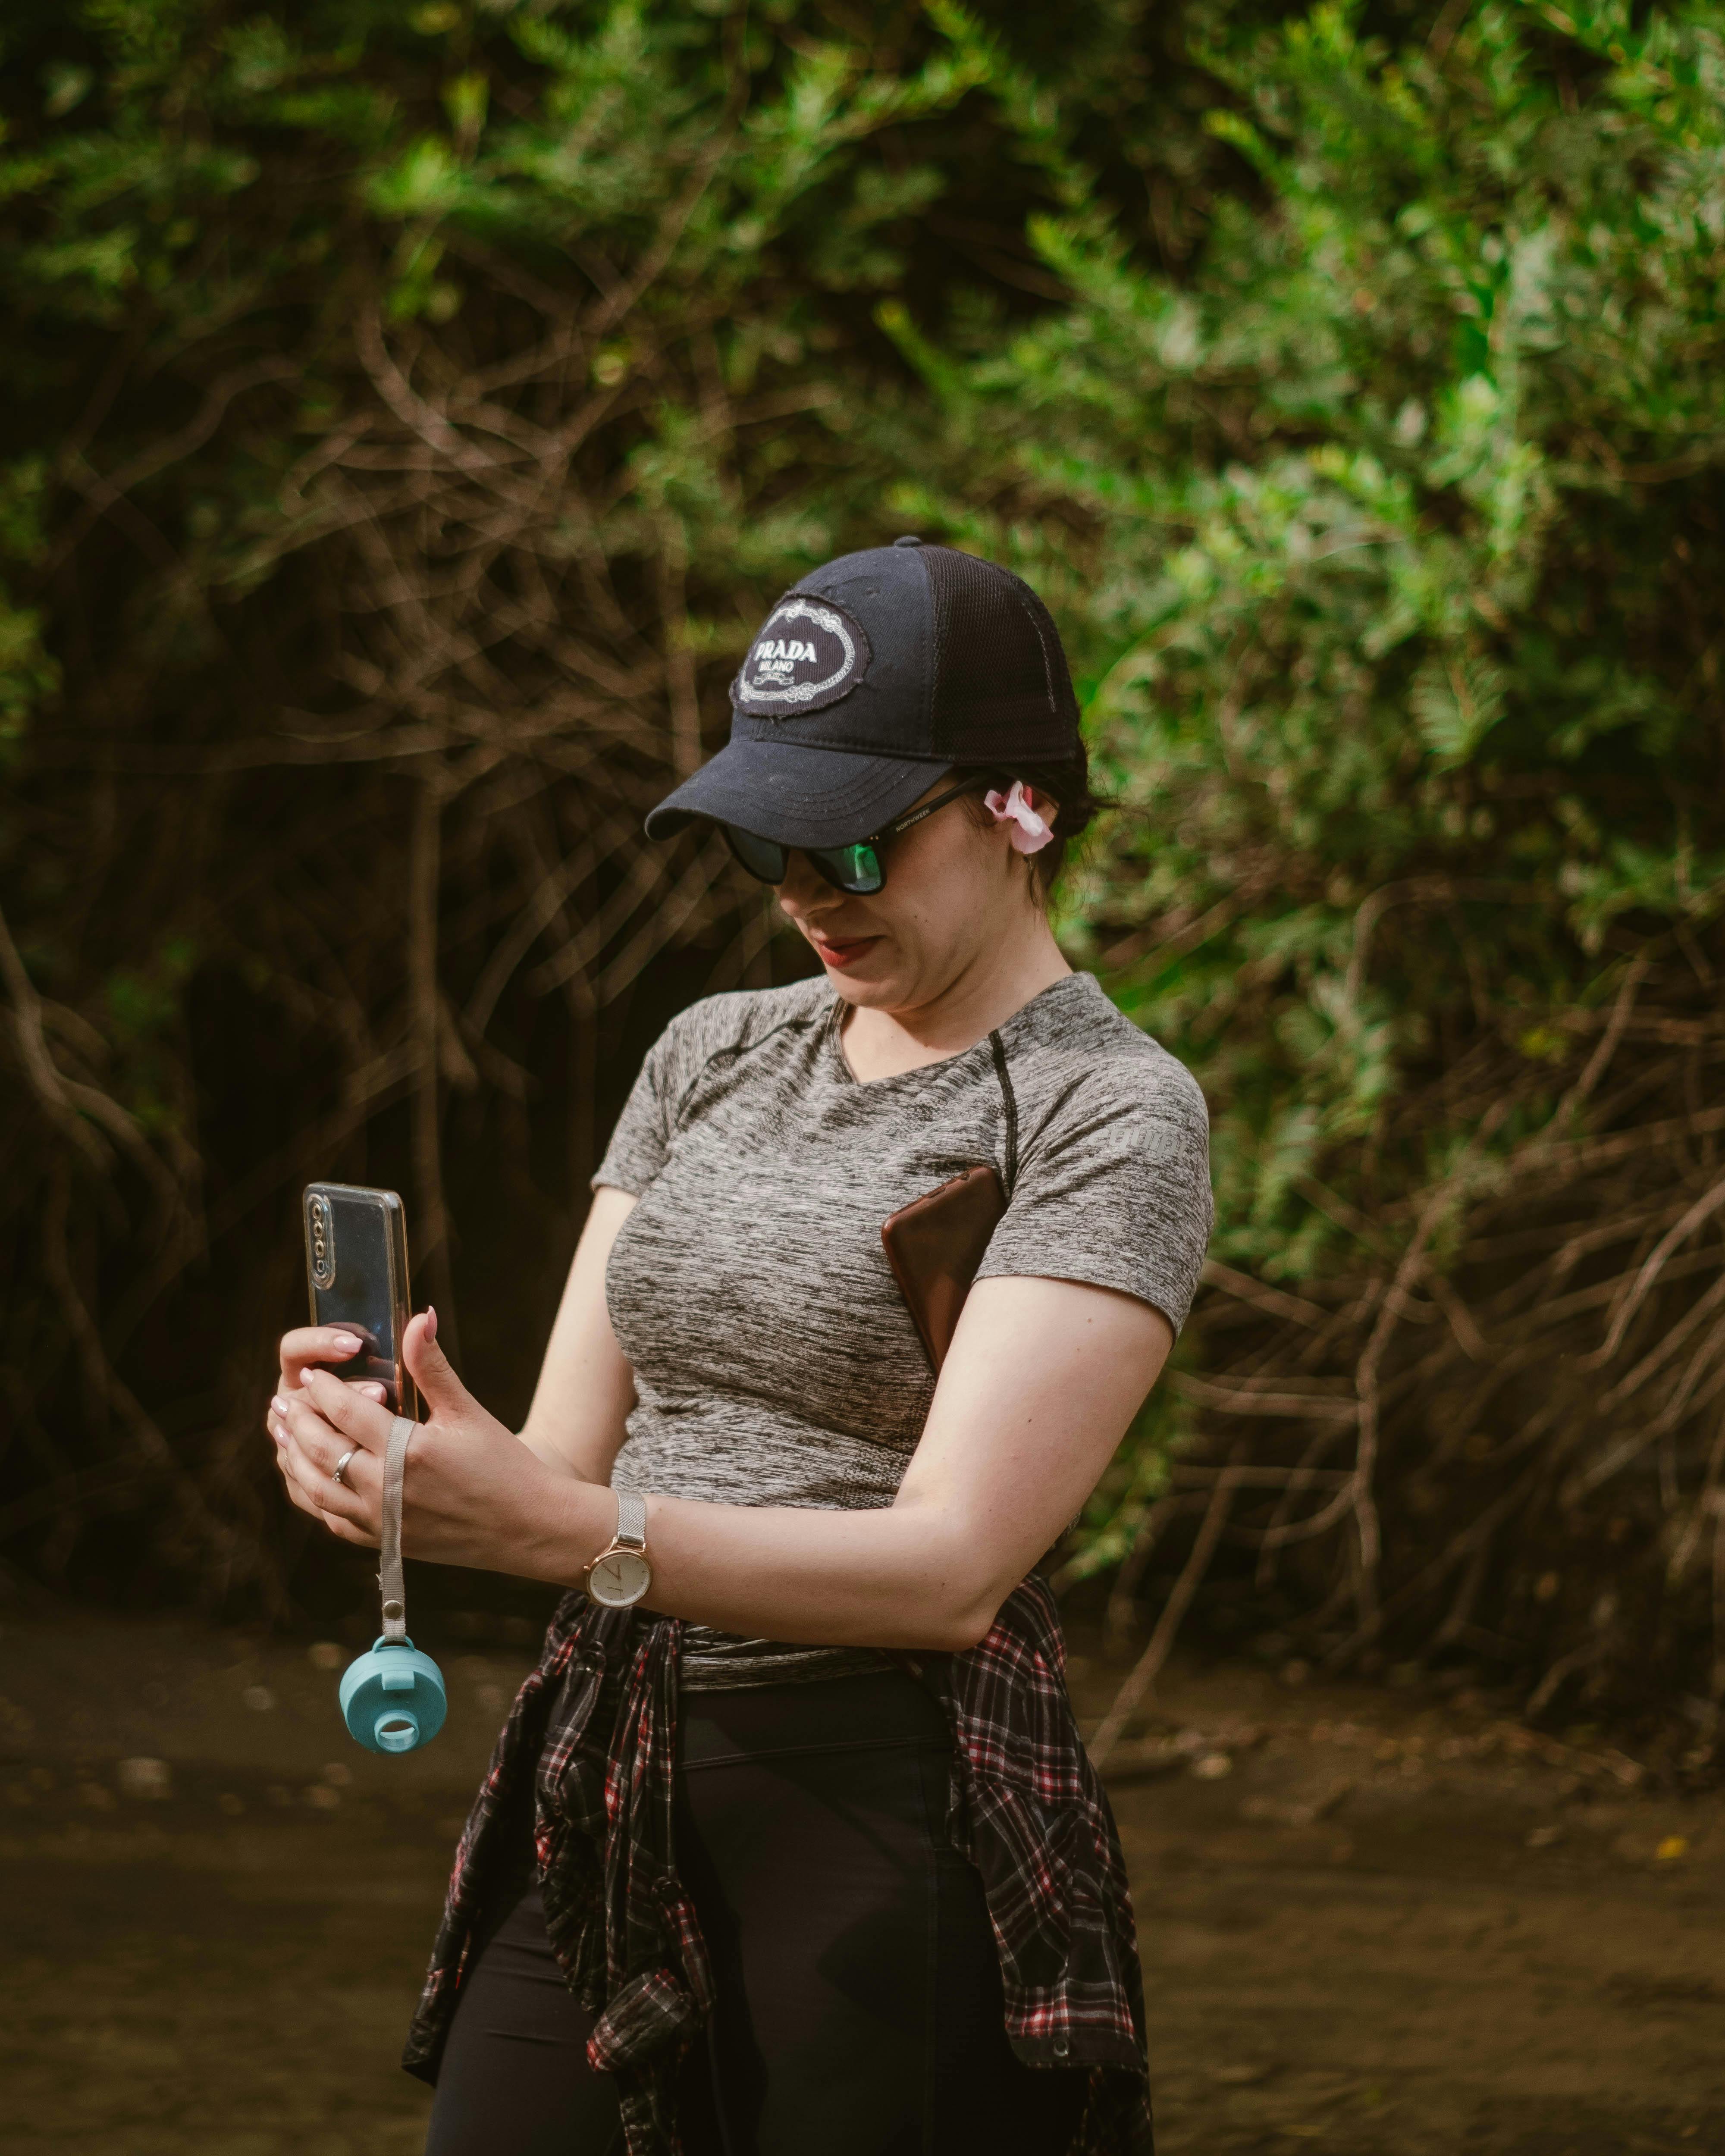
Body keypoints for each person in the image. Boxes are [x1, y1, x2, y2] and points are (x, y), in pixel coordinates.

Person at [266, 536, 1213, 2156]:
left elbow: (950, 1570)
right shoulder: (712, 1050)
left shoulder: (1110, 1111)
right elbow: (563, 1467)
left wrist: (570, 1532)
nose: (805, 893)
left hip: (887, 1802)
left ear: (1022, 808)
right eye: (764, 844)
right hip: (612, 1760)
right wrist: (410, 1470)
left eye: (851, 840)